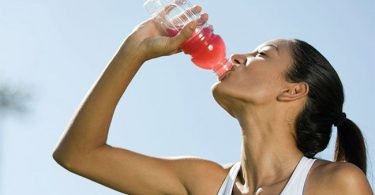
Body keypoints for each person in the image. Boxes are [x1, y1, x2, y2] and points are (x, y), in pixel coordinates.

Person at [53, 6, 373, 195]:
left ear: (293, 91)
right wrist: (134, 50)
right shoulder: (205, 182)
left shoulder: (335, 184)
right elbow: (78, 155)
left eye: (260, 55)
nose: (235, 57)